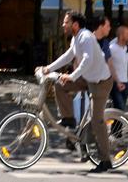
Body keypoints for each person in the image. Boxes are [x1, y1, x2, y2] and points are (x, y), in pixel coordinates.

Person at [38, 12, 115, 173]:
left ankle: (106, 160)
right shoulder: (76, 38)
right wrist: (48, 68)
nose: (63, 25)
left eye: (66, 22)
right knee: (60, 85)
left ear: (75, 24)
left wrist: (72, 76)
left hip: (100, 83)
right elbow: (68, 57)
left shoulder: (86, 37)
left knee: (97, 121)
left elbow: (86, 60)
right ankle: (69, 119)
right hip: (87, 78)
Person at [109, 25, 128, 110]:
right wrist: (116, 81)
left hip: (125, 82)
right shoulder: (112, 48)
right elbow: (108, 65)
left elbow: (125, 60)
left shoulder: (125, 48)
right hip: (115, 83)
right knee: (120, 109)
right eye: (127, 33)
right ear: (121, 35)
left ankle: (116, 124)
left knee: (119, 110)